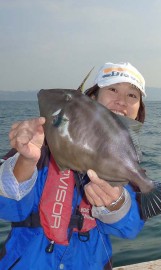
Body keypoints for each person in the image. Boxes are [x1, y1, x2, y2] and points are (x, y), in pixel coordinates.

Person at [0, 62, 147, 269]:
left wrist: (115, 204)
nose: (121, 101)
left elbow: (130, 228)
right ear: (92, 99)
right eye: (113, 89)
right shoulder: (41, 143)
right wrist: (26, 160)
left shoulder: (127, 164)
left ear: (138, 110)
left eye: (132, 95)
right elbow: (6, 209)